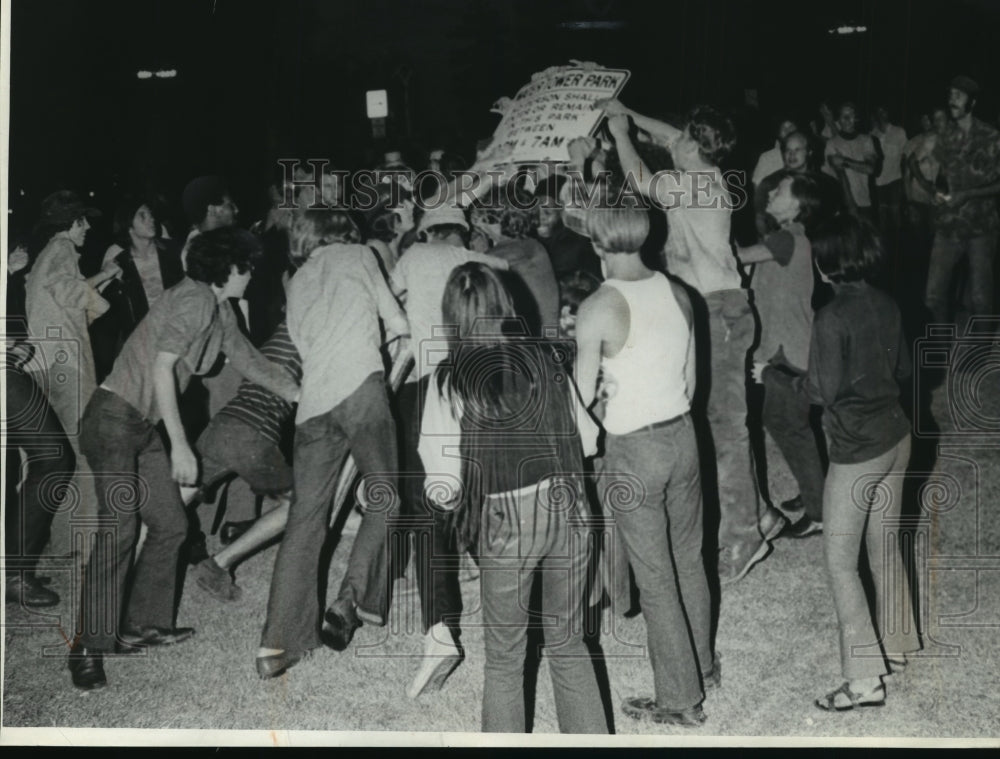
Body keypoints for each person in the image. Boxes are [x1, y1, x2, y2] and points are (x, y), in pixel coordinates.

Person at [68, 227, 300, 691]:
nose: (253, 274)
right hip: (113, 418)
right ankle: (88, 647)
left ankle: (144, 624)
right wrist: (179, 444)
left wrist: (302, 395)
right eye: (248, 266)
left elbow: (251, 363)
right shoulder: (194, 298)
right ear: (229, 268)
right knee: (121, 528)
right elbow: (160, 368)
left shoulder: (220, 309)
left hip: (140, 425)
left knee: (172, 524)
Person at [596, 97, 786, 584]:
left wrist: (620, 134)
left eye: (683, 139)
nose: (671, 141)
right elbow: (666, 134)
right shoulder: (705, 173)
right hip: (715, 308)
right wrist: (632, 114)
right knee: (720, 422)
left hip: (719, 310)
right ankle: (760, 512)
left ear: (697, 149)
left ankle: (743, 536)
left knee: (725, 430)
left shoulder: (693, 186)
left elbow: (640, 180)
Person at [421, 261, 607, 733]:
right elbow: (588, 441)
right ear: (505, 303)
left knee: (505, 660)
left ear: (450, 317)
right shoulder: (547, 359)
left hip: (505, 518)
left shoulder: (447, 381)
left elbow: (444, 487)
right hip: (569, 506)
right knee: (568, 642)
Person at [575, 206, 716, 727]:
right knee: (689, 558)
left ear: (597, 244)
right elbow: (692, 381)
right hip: (682, 436)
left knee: (654, 577)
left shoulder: (599, 306)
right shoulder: (679, 292)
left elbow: (580, 398)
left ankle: (681, 697)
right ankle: (702, 663)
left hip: (634, 449)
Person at [257, 209, 409, 679]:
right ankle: (351, 599)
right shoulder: (360, 253)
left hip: (313, 406)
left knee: (305, 520)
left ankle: (276, 645)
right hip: (361, 388)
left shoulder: (296, 279)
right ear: (341, 231)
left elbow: (303, 343)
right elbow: (398, 322)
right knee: (386, 496)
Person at [386, 204, 510, 697]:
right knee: (475, 492)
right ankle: (513, 600)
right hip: (479, 381)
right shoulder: (466, 255)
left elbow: (390, 302)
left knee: (427, 509)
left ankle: (439, 628)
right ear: (461, 228)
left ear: (425, 228)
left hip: (426, 387)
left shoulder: (414, 254)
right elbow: (503, 277)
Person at [807, 212, 921, 711]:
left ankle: (863, 683)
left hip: (857, 453)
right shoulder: (888, 302)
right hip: (898, 438)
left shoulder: (831, 317)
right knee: (885, 546)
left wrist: (780, 375)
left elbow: (821, 390)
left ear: (825, 261)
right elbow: (904, 369)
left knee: (839, 563)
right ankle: (895, 647)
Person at [24, 191, 122, 558]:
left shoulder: (43, 258)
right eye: (83, 220)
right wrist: (106, 272)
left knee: (50, 454)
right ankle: (79, 538)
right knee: (83, 447)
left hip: (42, 363)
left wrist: (101, 282)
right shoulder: (63, 249)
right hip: (66, 362)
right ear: (70, 222)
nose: (88, 227)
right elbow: (70, 293)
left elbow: (71, 303)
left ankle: (52, 537)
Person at [187, 319, 301, 602]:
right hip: (254, 435)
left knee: (170, 504)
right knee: (296, 506)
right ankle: (218, 564)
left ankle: (122, 558)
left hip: (221, 425)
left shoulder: (285, 328)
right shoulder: (315, 331)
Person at [739, 174, 826, 537]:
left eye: (781, 191)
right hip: (787, 347)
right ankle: (813, 494)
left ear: (797, 206)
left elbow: (738, 258)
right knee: (786, 425)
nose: (772, 192)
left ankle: (820, 511)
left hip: (790, 351)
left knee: (792, 428)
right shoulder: (790, 238)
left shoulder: (787, 239)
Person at [922, 75, 1000, 325]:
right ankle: (945, 358)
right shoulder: (945, 137)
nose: (952, 100)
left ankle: (979, 359)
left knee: (980, 301)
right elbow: (943, 178)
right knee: (932, 297)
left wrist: (968, 194)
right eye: (950, 95)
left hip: (981, 228)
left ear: (972, 102)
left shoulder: (991, 137)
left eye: (959, 95)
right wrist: (937, 194)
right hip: (948, 226)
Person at [91, 196, 184, 381]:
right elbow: (98, 306)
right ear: (129, 225)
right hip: (142, 348)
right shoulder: (120, 263)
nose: (151, 219)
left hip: (178, 341)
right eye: (142, 216)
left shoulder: (173, 251)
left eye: (150, 215)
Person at [823, 103, 880, 219]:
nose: (847, 119)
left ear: (856, 118)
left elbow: (870, 169)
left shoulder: (866, 140)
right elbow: (834, 173)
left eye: (851, 115)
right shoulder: (832, 143)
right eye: (844, 116)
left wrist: (844, 161)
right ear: (838, 120)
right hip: (842, 204)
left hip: (864, 202)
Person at [870, 105, 908, 266]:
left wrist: (906, 182)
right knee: (882, 219)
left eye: (884, 110)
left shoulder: (899, 132)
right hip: (879, 183)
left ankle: (902, 252)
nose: (882, 114)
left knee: (896, 216)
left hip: (895, 180)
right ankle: (886, 256)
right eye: (879, 111)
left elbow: (905, 156)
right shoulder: (873, 134)